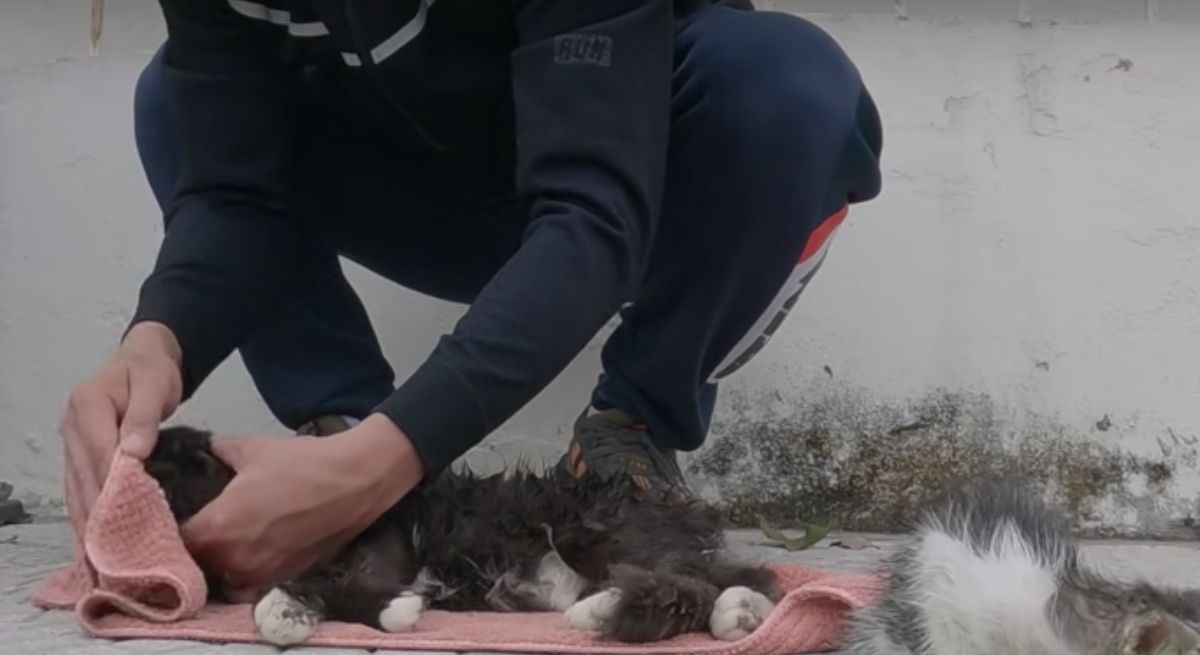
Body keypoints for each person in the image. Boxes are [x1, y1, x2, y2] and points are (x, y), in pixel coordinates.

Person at [59, 0, 882, 592]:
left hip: (626, 189)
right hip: (427, 201)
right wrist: (158, 338)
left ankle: (628, 431)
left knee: (789, 85)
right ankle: (338, 438)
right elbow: (232, 192)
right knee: (172, 98)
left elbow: (592, 214)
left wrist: (388, 456)